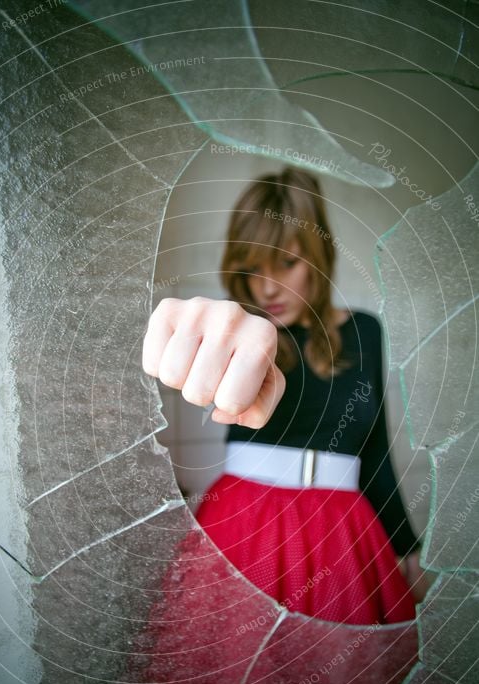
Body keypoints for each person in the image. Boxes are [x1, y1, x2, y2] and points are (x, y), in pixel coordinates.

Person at [142, 167, 429, 627]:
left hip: (343, 530)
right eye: (253, 268)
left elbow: (375, 452)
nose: (268, 287)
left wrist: (407, 547)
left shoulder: (364, 332)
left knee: (339, 678)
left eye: (287, 263)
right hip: (244, 520)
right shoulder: (248, 338)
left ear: (319, 255)